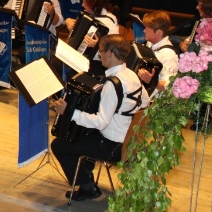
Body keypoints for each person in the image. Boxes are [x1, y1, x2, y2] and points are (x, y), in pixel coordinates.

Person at [51, 34, 150, 202]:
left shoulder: (113, 83)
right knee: (82, 135)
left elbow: (101, 122)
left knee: (60, 144)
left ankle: (88, 187)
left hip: (112, 146)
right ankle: (86, 177)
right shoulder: (132, 75)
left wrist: (69, 111)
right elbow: (145, 102)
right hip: (129, 139)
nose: (99, 54)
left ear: (110, 53)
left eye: (101, 51)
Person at [178, 0, 212, 130]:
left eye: (199, 4)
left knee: (201, 75)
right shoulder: (201, 23)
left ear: (208, 6)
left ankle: (201, 116)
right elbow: (192, 39)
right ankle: (194, 113)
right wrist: (184, 43)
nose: (196, 7)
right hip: (202, 63)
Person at [4, 0, 63, 64]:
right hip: (19, 36)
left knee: (24, 52)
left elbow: (59, 22)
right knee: (0, 42)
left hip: (41, 39)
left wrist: (52, 13)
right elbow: (5, 11)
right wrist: (8, 11)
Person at [64, 0, 119, 76]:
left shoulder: (110, 20)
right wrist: (68, 21)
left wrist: (97, 45)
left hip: (99, 63)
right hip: (82, 59)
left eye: (84, 2)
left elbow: (115, 47)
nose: (82, 5)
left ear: (93, 2)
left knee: (67, 71)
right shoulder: (85, 14)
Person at [137, 10, 179, 98]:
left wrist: (152, 81)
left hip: (154, 101)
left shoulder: (169, 54)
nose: (144, 31)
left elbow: (169, 86)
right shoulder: (149, 45)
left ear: (159, 32)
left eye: (147, 28)